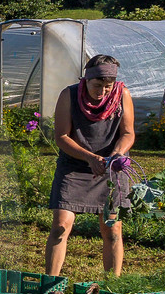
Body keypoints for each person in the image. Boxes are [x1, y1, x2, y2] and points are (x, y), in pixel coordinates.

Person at [45, 54, 136, 278]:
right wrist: (90, 158)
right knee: (60, 227)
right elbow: (62, 137)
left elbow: (128, 133)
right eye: (97, 85)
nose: (102, 91)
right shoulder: (69, 95)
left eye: (108, 86)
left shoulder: (122, 94)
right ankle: (50, 284)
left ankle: (111, 285)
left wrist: (117, 154)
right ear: (86, 79)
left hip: (110, 169)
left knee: (112, 229)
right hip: (75, 166)